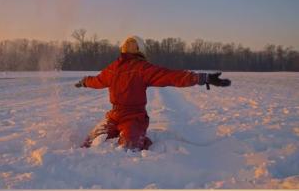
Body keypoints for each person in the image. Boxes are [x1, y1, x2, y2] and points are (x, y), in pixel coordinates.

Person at [75, 35, 231, 150]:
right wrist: (84, 81)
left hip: (134, 118)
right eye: (127, 44)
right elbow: (98, 80)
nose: (129, 46)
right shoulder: (113, 68)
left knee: (129, 149)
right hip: (113, 116)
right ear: (123, 48)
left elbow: (171, 76)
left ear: (139, 49)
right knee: (88, 145)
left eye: (133, 44)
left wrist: (202, 78)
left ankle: (144, 143)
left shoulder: (143, 68)